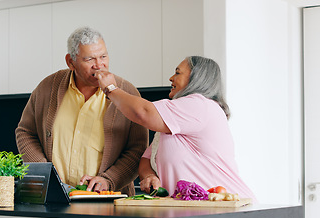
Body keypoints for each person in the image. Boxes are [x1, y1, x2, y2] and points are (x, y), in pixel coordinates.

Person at [95, 56, 257, 201]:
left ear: (196, 78)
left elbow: (143, 112)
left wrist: (111, 89)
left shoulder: (200, 105)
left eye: (178, 73)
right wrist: (150, 176)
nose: (171, 78)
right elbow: (147, 159)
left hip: (228, 210)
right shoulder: (173, 122)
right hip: (196, 213)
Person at [15, 26, 148, 196]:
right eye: (89, 59)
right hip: (54, 198)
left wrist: (109, 180)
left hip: (108, 201)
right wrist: (44, 173)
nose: (99, 65)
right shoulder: (47, 88)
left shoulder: (127, 92)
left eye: (103, 56)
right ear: (71, 62)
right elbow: (25, 132)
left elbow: (138, 149)